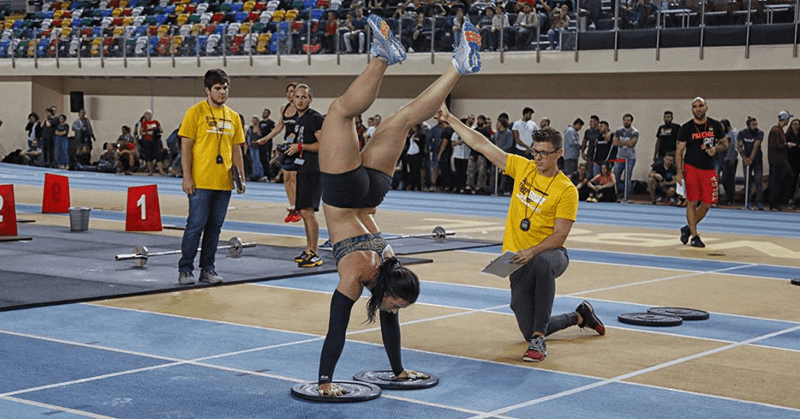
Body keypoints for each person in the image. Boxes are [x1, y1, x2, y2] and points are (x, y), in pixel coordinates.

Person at [315, 16, 481, 397]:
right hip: (344, 196)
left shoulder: (390, 262)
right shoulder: (358, 274)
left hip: (372, 193)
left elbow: (387, 319)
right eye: (396, 304)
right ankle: (381, 58)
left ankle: (458, 65)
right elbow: (335, 328)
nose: (395, 310)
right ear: (387, 291)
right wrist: (325, 380)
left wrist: (399, 371)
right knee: (340, 112)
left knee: (403, 119)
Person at [436, 109, 605, 363]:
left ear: (559, 154)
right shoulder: (522, 167)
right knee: (527, 327)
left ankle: (539, 340)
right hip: (516, 259)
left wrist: (533, 251)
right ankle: (580, 316)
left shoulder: (567, 190)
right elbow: (482, 144)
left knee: (542, 263)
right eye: (534, 152)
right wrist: (450, 119)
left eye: (543, 153)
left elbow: (560, 235)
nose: (537, 158)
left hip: (551, 254)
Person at [177, 69, 246, 285]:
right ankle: (185, 270)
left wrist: (241, 178)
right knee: (195, 226)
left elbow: (237, 149)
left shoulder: (233, 116)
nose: (222, 92)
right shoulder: (195, 112)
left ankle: (208, 269)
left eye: (225, 88)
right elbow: (186, 146)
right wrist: (187, 177)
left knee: (215, 229)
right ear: (208, 90)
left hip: (223, 183)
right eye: (217, 88)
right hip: (200, 181)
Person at [675, 97, 727, 248]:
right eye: (695, 106)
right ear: (692, 110)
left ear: (706, 108)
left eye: (701, 106)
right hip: (691, 168)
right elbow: (679, 151)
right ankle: (695, 236)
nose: (698, 109)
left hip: (709, 169)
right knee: (692, 202)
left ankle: (688, 228)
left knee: (707, 203)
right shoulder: (686, 128)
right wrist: (679, 172)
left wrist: (715, 149)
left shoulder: (715, 125)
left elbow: (725, 144)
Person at [283, 84, 325, 268]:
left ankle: (314, 252)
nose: (300, 100)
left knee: (308, 212)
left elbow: (323, 144)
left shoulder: (314, 118)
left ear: (310, 99)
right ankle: (309, 249)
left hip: (312, 169)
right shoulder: (299, 119)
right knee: (304, 211)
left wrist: (300, 147)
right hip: (302, 168)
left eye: (304, 97)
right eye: (297, 97)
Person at [257, 82, 301, 223]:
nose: (290, 94)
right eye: (288, 91)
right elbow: (279, 127)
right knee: (286, 177)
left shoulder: (302, 109)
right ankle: (292, 205)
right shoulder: (284, 108)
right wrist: (266, 138)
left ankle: (299, 207)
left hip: (298, 147)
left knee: (294, 178)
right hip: (287, 147)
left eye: (292, 91)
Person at [767, 110, 796, 210]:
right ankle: (774, 203)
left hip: (781, 160)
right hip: (777, 160)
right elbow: (776, 145)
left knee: (789, 177)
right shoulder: (776, 131)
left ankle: (779, 201)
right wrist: (786, 145)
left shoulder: (780, 130)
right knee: (776, 182)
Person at [737, 116, 764, 210]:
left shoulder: (759, 133)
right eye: (753, 124)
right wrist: (744, 158)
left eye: (756, 124)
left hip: (756, 160)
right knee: (747, 180)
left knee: (758, 180)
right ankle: (747, 200)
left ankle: (759, 201)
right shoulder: (742, 133)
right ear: (748, 125)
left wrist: (751, 159)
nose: (755, 126)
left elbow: (756, 146)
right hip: (746, 160)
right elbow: (740, 146)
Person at [612, 113, 639, 201]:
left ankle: (626, 195)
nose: (627, 122)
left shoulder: (635, 132)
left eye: (629, 120)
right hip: (620, 157)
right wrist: (626, 143)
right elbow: (615, 143)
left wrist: (621, 142)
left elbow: (632, 144)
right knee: (616, 175)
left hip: (630, 157)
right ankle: (616, 194)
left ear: (631, 121)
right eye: (625, 120)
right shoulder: (618, 131)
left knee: (627, 177)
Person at [139, 110, 165, 175]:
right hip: (147, 141)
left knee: (158, 156)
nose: (147, 116)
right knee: (148, 156)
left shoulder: (155, 122)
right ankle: (150, 170)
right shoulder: (144, 124)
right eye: (146, 115)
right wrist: (147, 132)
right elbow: (141, 132)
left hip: (155, 141)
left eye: (148, 114)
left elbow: (161, 130)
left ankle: (161, 171)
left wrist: (156, 131)